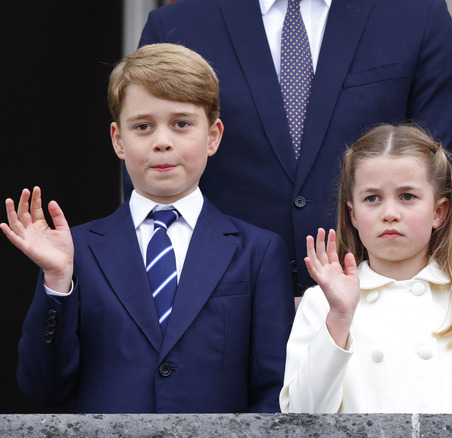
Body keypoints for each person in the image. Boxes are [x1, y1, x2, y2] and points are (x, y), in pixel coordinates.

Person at [0, 43, 294, 413]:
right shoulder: (75, 250)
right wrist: (57, 281)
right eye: (142, 127)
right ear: (118, 140)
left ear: (213, 135)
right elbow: (44, 389)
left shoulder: (258, 251)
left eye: (182, 124)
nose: (162, 142)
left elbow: (275, 391)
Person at [132, 0, 452, 296]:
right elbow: (153, 184)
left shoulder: (417, 16)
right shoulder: (178, 25)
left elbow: (442, 176)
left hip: (376, 307)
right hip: (222, 310)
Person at [279, 124, 452, 413]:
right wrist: (340, 318)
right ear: (353, 214)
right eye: (372, 198)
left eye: (407, 196)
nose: (390, 214)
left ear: (438, 212)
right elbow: (301, 418)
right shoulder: (321, 304)